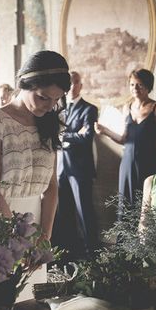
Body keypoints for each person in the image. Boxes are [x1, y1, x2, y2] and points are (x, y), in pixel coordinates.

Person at [0, 50, 70, 300]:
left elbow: (52, 186)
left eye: (55, 100)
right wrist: (14, 238)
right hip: (0, 218)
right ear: (24, 84)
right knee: (2, 304)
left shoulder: (50, 122)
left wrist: (44, 237)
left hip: (37, 222)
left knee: (30, 302)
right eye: (42, 98)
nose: (49, 106)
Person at [95, 68, 156, 210]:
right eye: (132, 84)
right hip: (128, 164)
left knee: (148, 204)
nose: (135, 88)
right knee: (126, 205)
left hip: (150, 163)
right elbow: (125, 139)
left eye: (139, 84)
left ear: (148, 86)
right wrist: (105, 131)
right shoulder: (126, 108)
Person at [52, 71, 99, 260]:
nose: (72, 86)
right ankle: (69, 252)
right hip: (61, 167)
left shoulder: (89, 109)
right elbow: (54, 134)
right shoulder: (58, 109)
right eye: (69, 83)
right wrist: (72, 136)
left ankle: (92, 254)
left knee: (84, 211)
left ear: (81, 85)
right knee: (64, 212)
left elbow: (86, 138)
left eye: (76, 83)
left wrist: (64, 136)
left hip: (80, 169)